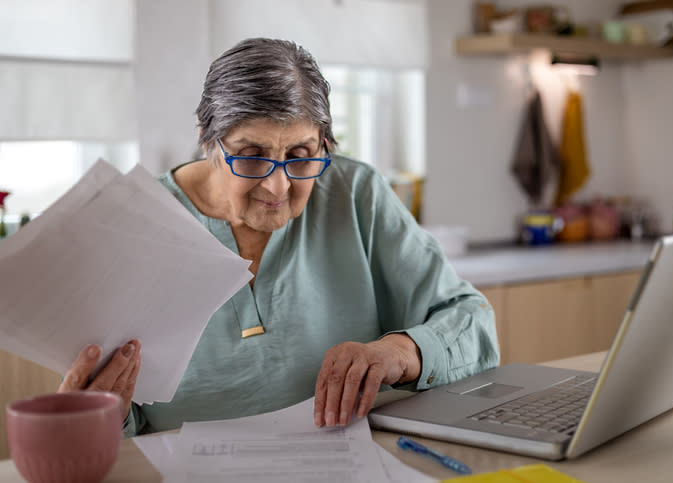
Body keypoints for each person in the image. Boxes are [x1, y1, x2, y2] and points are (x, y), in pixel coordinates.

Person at [58, 38, 500, 436]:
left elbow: (474, 325)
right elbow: (118, 428)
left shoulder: (356, 195)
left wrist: (398, 352)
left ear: (325, 144)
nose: (278, 186)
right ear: (207, 141)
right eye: (251, 157)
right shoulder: (135, 223)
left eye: (300, 156)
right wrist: (103, 412)